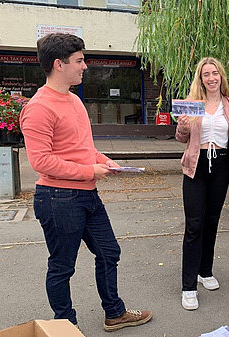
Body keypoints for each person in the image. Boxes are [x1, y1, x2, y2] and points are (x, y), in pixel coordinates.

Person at [20, 33, 152, 331]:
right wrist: (90, 171)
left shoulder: (74, 100)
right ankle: (65, 325)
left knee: (109, 252)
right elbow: (40, 161)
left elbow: (82, 148)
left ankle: (114, 313)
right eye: (79, 61)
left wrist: (104, 161)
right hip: (57, 199)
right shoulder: (39, 107)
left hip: (87, 195)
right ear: (59, 64)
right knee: (62, 266)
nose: (85, 67)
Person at [175, 57, 229, 311]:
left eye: (215, 73)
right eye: (206, 74)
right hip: (196, 166)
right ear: (200, 78)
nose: (211, 78)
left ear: (221, 76)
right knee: (194, 225)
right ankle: (188, 286)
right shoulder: (192, 105)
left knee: (212, 221)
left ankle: (205, 271)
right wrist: (182, 126)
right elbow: (181, 138)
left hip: (221, 167)